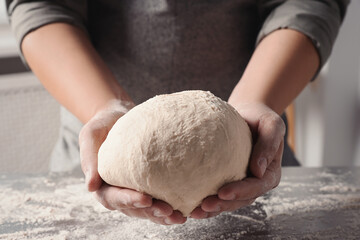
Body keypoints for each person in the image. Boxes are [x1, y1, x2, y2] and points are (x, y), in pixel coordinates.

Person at [6, 0, 349, 225]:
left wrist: (254, 101)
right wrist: (104, 107)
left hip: (256, 151)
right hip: (97, 145)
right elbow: (40, 5)